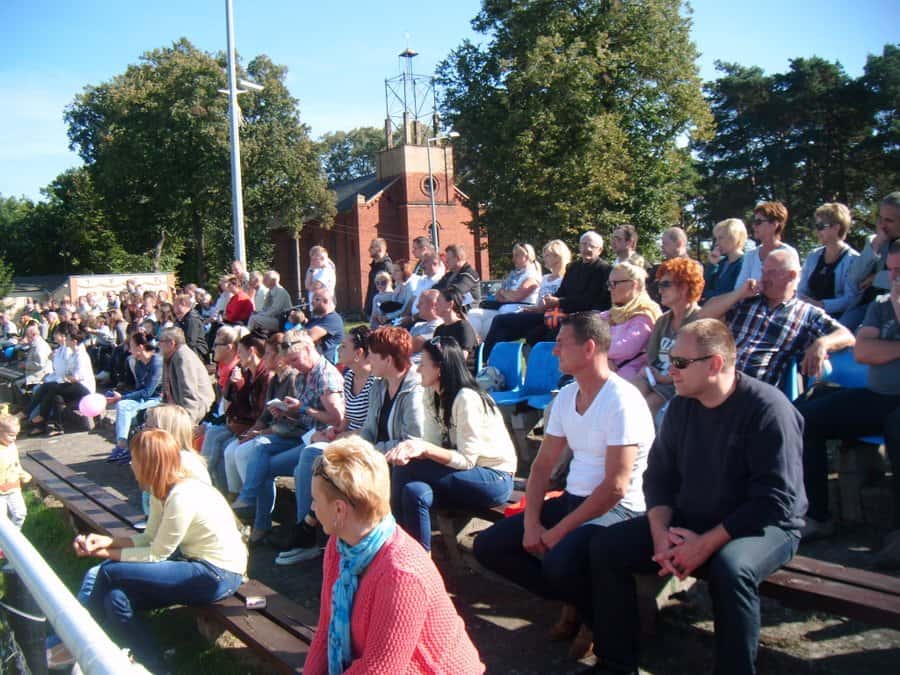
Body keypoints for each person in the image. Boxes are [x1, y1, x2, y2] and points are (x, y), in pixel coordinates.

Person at [587, 319, 806, 675]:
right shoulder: (681, 407)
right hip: (695, 516)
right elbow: (659, 478)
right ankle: (615, 665)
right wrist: (660, 533)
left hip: (764, 525)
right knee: (606, 547)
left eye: (680, 362)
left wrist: (705, 544)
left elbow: (775, 500)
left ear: (715, 364)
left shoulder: (768, 409)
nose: (670, 370)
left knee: (731, 571)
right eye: (670, 360)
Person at [473, 312, 654, 632]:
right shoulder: (568, 396)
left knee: (559, 560)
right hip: (574, 499)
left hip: (618, 509)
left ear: (589, 348)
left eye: (561, 343)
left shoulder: (622, 400)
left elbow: (615, 487)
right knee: (489, 546)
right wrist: (531, 523)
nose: (554, 350)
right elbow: (542, 465)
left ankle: (602, 625)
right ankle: (582, 604)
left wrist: (557, 532)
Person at [303, 437, 484, 674]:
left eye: (315, 500)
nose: (313, 507)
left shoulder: (401, 574)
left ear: (339, 509)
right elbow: (326, 630)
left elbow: (379, 669)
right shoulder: (340, 546)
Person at [71, 429, 245, 672]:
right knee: (115, 599)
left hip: (218, 574)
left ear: (149, 463)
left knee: (109, 571)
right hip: (193, 564)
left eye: (134, 459)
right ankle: (154, 665)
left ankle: (78, 641)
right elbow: (149, 537)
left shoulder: (182, 495)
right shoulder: (160, 489)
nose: (131, 464)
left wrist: (102, 554)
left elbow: (156, 554)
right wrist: (106, 542)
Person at [273, 326, 420, 565]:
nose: (370, 360)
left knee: (322, 461)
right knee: (321, 462)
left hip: (395, 458)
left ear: (387, 359)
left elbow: (411, 440)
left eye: (374, 355)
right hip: (373, 449)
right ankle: (316, 533)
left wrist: (351, 444)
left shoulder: (412, 389)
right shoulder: (380, 385)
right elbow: (368, 428)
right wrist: (343, 439)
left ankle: (310, 532)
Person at [795, 240, 900, 566]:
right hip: (878, 395)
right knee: (804, 418)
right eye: (891, 270)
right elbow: (863, 352)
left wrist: (887, 345)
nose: (894, 278)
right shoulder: (881, 305)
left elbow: (875, 349)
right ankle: (817, 516)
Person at [387, 336, 516, 550]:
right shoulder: (431, 394)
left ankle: (396, 549)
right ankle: (419, 557)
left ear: (439, 369)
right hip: (461, 475)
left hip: (494, 478)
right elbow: (433, 444)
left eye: (423, 364)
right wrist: (417, 449)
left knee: (405, 469)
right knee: (414, 491)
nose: (418, 369)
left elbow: (466, 460)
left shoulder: (466, 398)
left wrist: (422, 448)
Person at [228, 329, 343, 541]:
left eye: (295, 359)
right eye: (290, 361)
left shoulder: (325, 376)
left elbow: (336, 419)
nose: (293, 365)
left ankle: (297, 532)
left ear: (308, 349)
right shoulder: (303, 375)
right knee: (260, 447)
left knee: (265, 466)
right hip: (304, 435)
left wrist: (303, 409)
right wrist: (287, 411)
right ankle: (253, 510)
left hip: (319, 439)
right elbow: (302, 415)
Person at [700, 249, 855, 389]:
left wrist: (821, 344)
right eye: (763, 271)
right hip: (716, 377)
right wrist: (738, 294)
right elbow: (703, 316)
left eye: (771, 273)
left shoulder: (807, 314)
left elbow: (846, 335)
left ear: (792, 275)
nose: (763, 278)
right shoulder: (747, 299)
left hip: (751, 390)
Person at [483, 231, 611, 357]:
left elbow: (590, 300)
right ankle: (488, 362)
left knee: (537, 335)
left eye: (591, 246)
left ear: (600, 250)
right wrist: (542, 306)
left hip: (579, 319)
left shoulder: (604, 270)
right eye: (583, 244)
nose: (587, 249)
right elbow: (561, 292)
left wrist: (558, 302)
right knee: (502, 322)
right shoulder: (573, 267)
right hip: (555, 314)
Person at [630, 257, 704, 421]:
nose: (660, 290)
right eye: (659, 285)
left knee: (645, 410)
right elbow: (652, 356)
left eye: (665, 284)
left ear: (684, 287)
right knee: (625, 397)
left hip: (679, 383)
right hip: (654, 378)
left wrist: (665, 378)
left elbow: (696, 365)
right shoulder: (663, 321)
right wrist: (653, 374)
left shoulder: (700, 321)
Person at [105, 331, 163, 464]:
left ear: (140, 347)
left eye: (131, 347)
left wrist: (122, 397)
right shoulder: (138, 363)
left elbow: (148, 391)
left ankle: (123, 446)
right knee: (123, 406)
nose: (129, 350)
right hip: (144, 399)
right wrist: (122, 397)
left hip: (157, 399)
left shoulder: (157, 363)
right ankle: (124, 446)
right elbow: (139, 388)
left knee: (124, 405)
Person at [28, 321, 96, 435]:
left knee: (51, 387)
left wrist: (66, 379)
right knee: (56, 396)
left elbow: (78, 376)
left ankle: (39, 415)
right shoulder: (73, 353)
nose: (66, 341)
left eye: (68, 339)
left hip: (84, 387)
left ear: (74, 341)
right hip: (74, 385)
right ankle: (57, 427)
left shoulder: (81, 355)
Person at [844, 191, 900, 329]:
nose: (882, 225)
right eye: (880, 219)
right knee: (834, 333)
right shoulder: (876, 241)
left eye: (889, 220)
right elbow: (854, 276)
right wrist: (876, 245)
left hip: (892, 308)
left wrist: (876, 278)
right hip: (864, 305)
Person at [797, 202, 860, 320]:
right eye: (816, 226)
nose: (817, 231)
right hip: (807, 316)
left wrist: (820, 305)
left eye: (821, 226)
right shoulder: (813, 256)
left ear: (836, 228)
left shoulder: (853, 260)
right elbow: (801, 290)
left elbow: (850, 298)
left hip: (837, 320)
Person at [600, 262, 662, 381]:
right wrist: (603, 359)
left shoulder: (645, 314)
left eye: (614, 284)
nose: (609, 289)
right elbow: (586, 337)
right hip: (605, 376)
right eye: (609, 284)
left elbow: (625, 348)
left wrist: (596, 353)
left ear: (634, 285)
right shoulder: (610, 314)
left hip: (629, 380)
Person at [467, 243, 541, 340]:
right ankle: (474, 345)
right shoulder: (514, 275)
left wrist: (505, 293)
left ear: (526, 257)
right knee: (473, 313)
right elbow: (498, 295)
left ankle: (479, 346)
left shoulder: (532, 275)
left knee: (488, 324)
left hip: (518, 313)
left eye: (516, 256)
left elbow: (517, 296)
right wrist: (507, 295)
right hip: (503, 310)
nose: (513, 259)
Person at [734, 201, 799, 288]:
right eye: (754, 222)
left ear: (774, 224)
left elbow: (793, 287)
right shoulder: (750, 255)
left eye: (758, 222)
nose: (754, 226)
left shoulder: (789, 253)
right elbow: (739, 288)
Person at [159, 327, 215, 426]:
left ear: (171, 343)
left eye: (161, 341)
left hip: (196, 409)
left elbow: (189, 394)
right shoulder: (169, 356)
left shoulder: (183, 358)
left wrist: (187, 424)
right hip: (176, 408)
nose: (158, 345)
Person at [293, 289, 344, 363]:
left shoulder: (333, 319)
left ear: (326, 301)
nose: (312, 302)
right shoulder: (315, 320)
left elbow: (308, 336)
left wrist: (296, 332)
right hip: (308, 361)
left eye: (316, 299)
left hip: (324, 365)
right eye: (312, 299)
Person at [702, 218, 747, 301]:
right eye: (716, 239)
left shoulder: (745, 263)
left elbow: (730, 293)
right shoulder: (721, 262)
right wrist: (712, 265)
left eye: (721, 238)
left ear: (734, 237)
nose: (717, 243)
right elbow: (702, 288)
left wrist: (707, 294)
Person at [0, 414, 30, 534]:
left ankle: (12, 537)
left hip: (13, 488)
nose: (14, 438)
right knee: (1, 520)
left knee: (20, 513)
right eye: (11, 435)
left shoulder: (11, 446)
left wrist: (22, 473)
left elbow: (15, 464)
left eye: (16, 435)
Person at [647, 226, 692, 302]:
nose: (662, 247)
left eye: (665, 243)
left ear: (678, 244)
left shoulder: (692, 269)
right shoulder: (659, 268)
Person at [432, 288, 478, 362]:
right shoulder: (439, 329)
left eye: (438, 301)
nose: (434, 304)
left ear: (450, 304)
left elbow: (462, 357)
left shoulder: (463, 327)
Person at [433, 243, 482, 309]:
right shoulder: (448, 275)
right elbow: (435, 288)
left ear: (457, 258)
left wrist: (438, 295)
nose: (446, 262)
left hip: (469, 312)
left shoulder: (470, 274)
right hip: (450, 311)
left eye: (448, 259)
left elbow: (455, 292)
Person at [172, 293, 209, 361]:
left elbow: (191, 342)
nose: (173, 307)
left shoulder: (192, 319)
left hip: (198, 353)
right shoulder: (183, 319)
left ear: (183, 304)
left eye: (175, 305)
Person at [409, 289, 444, 362]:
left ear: (433, 305)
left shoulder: (438, 326)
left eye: (421, 303)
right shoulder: (418, 325)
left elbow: (408, 346)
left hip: (418, 366)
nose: (417, 306)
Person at [364, 237, 393, 317]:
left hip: (381, 312)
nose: (369, 250)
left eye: (372, 247)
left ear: (380, 249)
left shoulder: (386, 267)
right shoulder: (375, 266)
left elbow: (389, 291)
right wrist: (367, 307)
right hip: (372, 309)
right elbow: (371, 289)